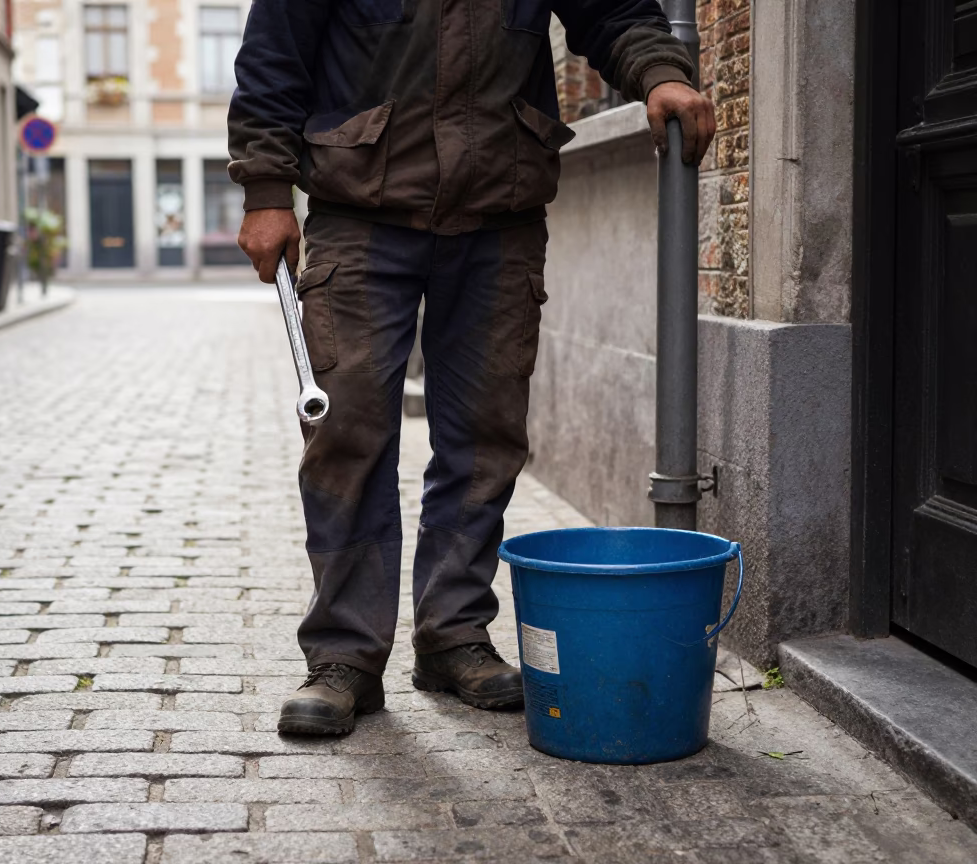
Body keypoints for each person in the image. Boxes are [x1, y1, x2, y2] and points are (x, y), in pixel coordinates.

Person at [228, 0, 716, 735]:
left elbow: (614, 11)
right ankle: (345, 658)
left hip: (499, 214)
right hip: (359, 214)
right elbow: (273, 57)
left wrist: (660, 74)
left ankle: (453, 635)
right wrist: (267, 190)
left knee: (485, 439)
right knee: (347, 439)